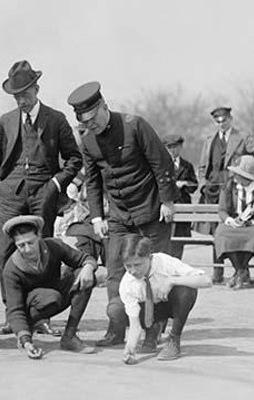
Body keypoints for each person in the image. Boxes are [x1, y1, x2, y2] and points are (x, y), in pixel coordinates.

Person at [67, 81, 177, 347]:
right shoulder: (88, 139)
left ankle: (153, 330)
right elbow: (92, 181)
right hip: (118, 216)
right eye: (86, 123)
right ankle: (116, 329)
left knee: (153, 272)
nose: (91, 127)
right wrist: (96, 217)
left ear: (104, 106)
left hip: (151, 211)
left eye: (93, 120)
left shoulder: (134, 125)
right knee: (116, 272)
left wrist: (167, 201)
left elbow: (162, 163)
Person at [0, 60, 82, 336]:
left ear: (37, 89)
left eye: (25, 94)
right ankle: (11, 314)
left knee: (44, 251)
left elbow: (74, 159)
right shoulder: (5, 121)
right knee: (5, 251)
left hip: (44, 192)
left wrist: (55, 183)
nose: (22, 101)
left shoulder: (56, 119)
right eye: (17, 97)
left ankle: (41, 316)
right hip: (10, 194)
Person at [2, 216, 98, 359]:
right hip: (32, 308)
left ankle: (69, 337)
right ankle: (27, 330)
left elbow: (83, 258)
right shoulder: (12, 268)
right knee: (50, 297)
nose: (27, 249)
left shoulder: (54, 246)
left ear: (39, 236)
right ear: (15, 245)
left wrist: (89, 267)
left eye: (31, 242)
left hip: (54, 296)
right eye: (21, 245)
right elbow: (14, 309)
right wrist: (26, 342)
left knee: (83, 275)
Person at [197, 107, 254, 284]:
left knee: (241, 229)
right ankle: (218, 272)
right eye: (217, 121)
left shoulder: (244, 137)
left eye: (224, 120)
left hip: (237, 188)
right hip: (213, 191)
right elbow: (202, 167)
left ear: (230, 119)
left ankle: (242, 271)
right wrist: (203, 183)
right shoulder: (209, 140)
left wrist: (245, 169)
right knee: (218, 230)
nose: (221, 124)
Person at [119, 234, 211, 364]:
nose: (133, 271)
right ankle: (152, 331)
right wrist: (130, 349)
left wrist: (171, 280)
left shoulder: (164, 262)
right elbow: (134, 324)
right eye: (128, 266)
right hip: (149, 311)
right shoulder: (127, 283)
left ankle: (174, 339)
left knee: (186, 290)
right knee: (116, 310)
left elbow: (206, 281)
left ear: (149, 257)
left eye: (137, 264)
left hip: (169, 305)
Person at [214, 155, 254, 289]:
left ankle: (239, 272)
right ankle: (241, 270)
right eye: (236, 174)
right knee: (221, 233)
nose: (236, 177)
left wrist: (252, 222)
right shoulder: (229, 185)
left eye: (239, 175)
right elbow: (222, 210)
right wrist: (229, 220)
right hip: (234, 223)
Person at [162, 134, 198, 259]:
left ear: (181, 147)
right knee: (165, 239)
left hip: (182, 205)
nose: (173, 150)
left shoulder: (187, 166)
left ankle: (177, 267)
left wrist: (184, 183)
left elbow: (194, 186)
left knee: (179, 240)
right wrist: (172, 184)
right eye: (169, 147)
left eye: (175, 147)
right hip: (165, 207)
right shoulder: (160, 165)